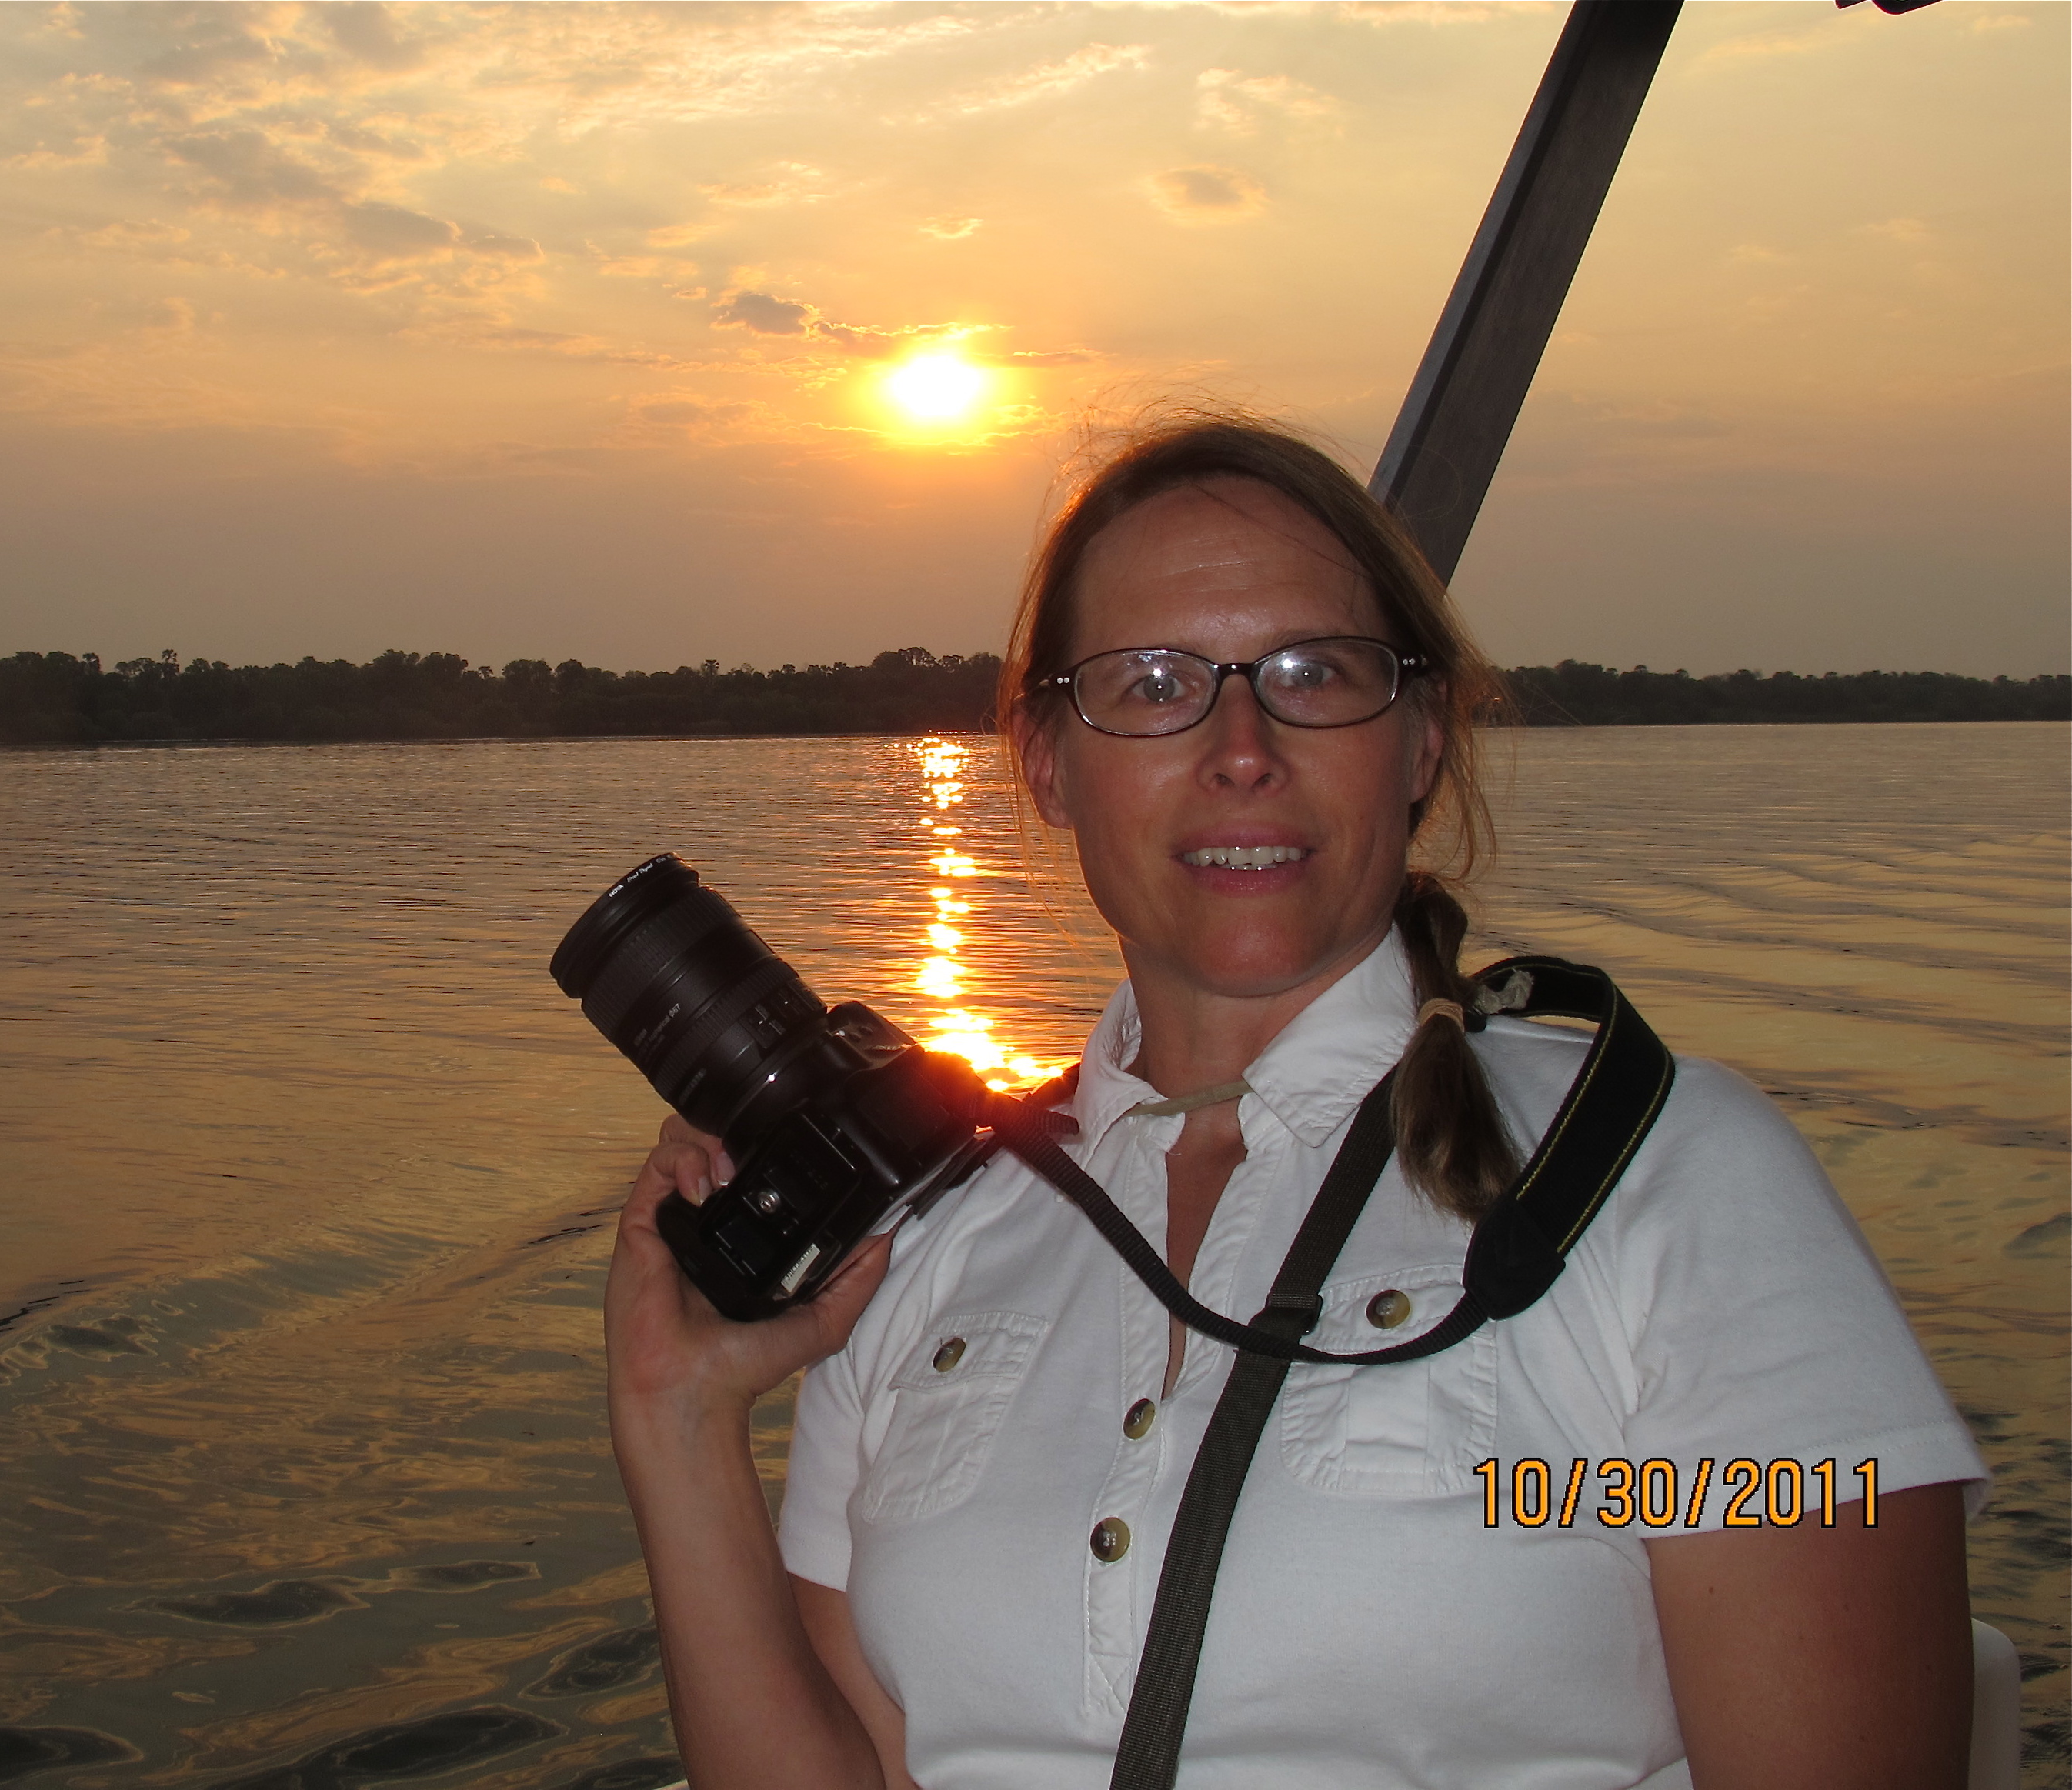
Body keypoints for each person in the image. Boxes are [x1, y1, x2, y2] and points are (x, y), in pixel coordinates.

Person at [602, 413, 1989, 1790]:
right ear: (1045, 766)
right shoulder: (932, 1236)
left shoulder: (1659, 1178)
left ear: (1422, 737)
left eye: (1314, 673)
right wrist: (678, 1419)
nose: (1243, 745)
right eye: (1154, 684)